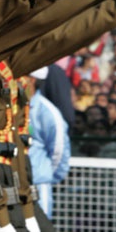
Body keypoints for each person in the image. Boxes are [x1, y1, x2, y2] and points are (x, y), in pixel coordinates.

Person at [28, 67, 70, 219]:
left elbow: (59, 151)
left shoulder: (47, 112)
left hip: (38, 184)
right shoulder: (14, 106)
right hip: (13, 184)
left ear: (32, 80)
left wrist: (44, 174)